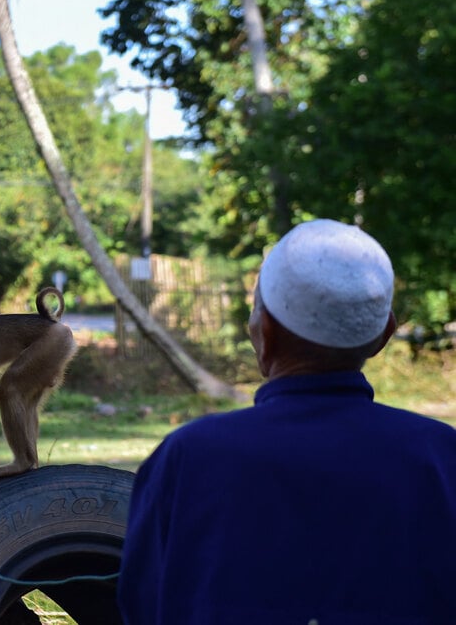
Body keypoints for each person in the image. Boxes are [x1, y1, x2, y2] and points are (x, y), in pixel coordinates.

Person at [117, 219, 456, 624]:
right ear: (385, 334)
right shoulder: (441, 458)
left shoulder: (188, 457)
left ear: (265, 332)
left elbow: (142, 606)